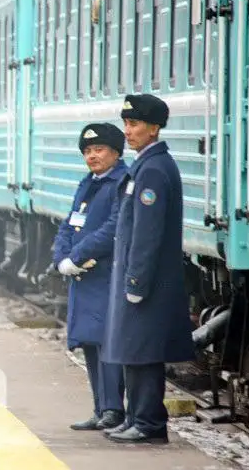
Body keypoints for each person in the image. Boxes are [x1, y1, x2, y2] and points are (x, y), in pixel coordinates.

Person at [103, 94, 195, 444]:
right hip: (138, 276)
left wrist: (136, 280)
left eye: (135, 124)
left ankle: (149, 423)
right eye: (126, 124)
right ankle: (136, 418)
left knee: (142, 352)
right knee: (133, 349)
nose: (128, 131)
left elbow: (147, 234)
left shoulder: (154, 169)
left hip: (147, 280)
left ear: (154, 128)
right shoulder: (145, 165)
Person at [52, 122, 127, 432]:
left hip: (105, 276)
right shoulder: (89, 183)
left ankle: (113, 410)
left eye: (98, 150)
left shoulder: (121, 182)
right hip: (84, 277)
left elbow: (113, 227)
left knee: (107, 343)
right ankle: (100, 408)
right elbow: (69, 224)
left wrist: (77, 256)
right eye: (87, 151)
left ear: (115, 152)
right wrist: (61, 259)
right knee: (89, 344)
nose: (92, 156)